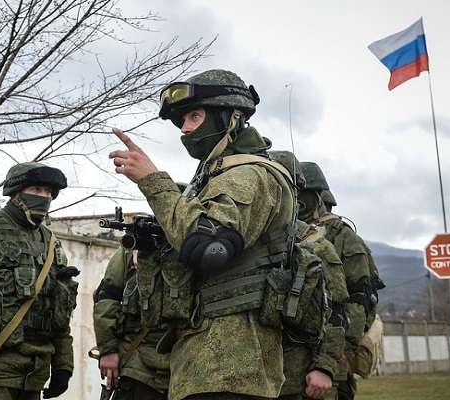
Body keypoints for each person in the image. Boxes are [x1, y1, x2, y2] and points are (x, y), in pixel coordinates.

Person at [109, 69, 295, 400]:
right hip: (203, 367)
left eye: (194, 115)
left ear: (232, 117)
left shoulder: (248, 175)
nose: (185, 129)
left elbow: (208, 248)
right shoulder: (215, 176)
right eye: (181, 120)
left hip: (230, 369)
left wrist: (153, 181)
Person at [0, 162, 79, 400]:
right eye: (37, 189)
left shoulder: (51, 244)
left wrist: (63, 366)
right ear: (16, 192)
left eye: (49, 192)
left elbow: (60, 311)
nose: (44, 197)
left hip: (36, 372)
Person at [298, 162, 384, 400]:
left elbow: (360, 302)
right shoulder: (293, 234)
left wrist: (338, 355)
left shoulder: (343, 237)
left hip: (332, 361)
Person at [268, 152, 349, 400]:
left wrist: (324, 366)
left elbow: (336, 311)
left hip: (294, 378)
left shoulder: (314, 244)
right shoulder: (238, 240)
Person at [93, 245, 172, 400]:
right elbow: (107, 298)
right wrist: (108, 350)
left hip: (183, 368)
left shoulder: (194, 240)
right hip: (138, 365)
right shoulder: (131, 247)